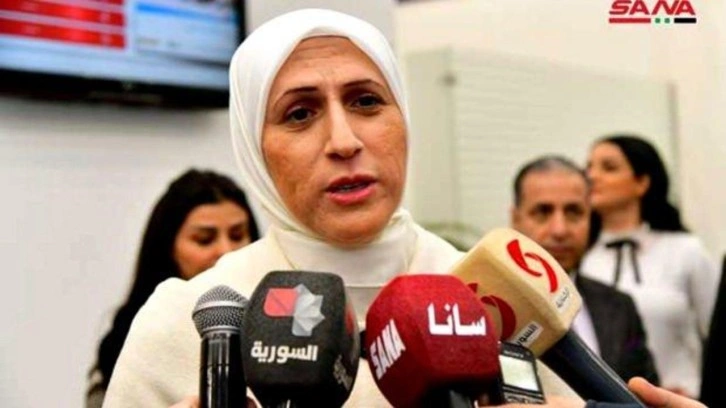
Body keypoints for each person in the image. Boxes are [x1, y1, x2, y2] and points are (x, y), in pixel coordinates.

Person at [101, 9, 583, 407]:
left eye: (366, 101)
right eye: (299, 113)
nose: (344, 141)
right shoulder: (192, 322)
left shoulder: (491, 302)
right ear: (254, 150)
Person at [86, 168, 260, 408]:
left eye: (237, 235)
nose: (226, 251)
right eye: (204, 239)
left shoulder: (271, 332)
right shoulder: (131, 338)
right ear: (168, 248)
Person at [581, 135, 718, 398]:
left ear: (642, 182)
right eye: (589, 167)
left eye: (608, 167)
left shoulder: (685, 250)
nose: (592, 176)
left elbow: (713, 330)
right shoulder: (582, 258)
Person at [510, 155, 659, 384]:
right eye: (542, 212)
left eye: (574, 212)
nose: (560, 230)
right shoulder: (490, 311)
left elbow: (644, 394)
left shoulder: (620, 308)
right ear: (516, 219)